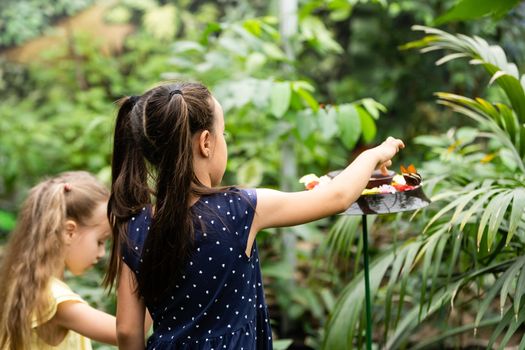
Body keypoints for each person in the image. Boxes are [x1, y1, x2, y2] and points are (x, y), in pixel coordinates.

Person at [104, 82, 404, 350]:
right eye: (224, 134)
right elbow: (336, 197)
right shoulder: (239, 209)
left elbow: (128, 330)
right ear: (206, 142)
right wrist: (374, 154)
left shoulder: (134, 226)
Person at [0, 171, 117, 350]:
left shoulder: (33, 286)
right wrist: (154, 270)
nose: (102, 253)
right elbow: (128, 333)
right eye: (100, 241)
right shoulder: (53, 298)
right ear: (69, 232)